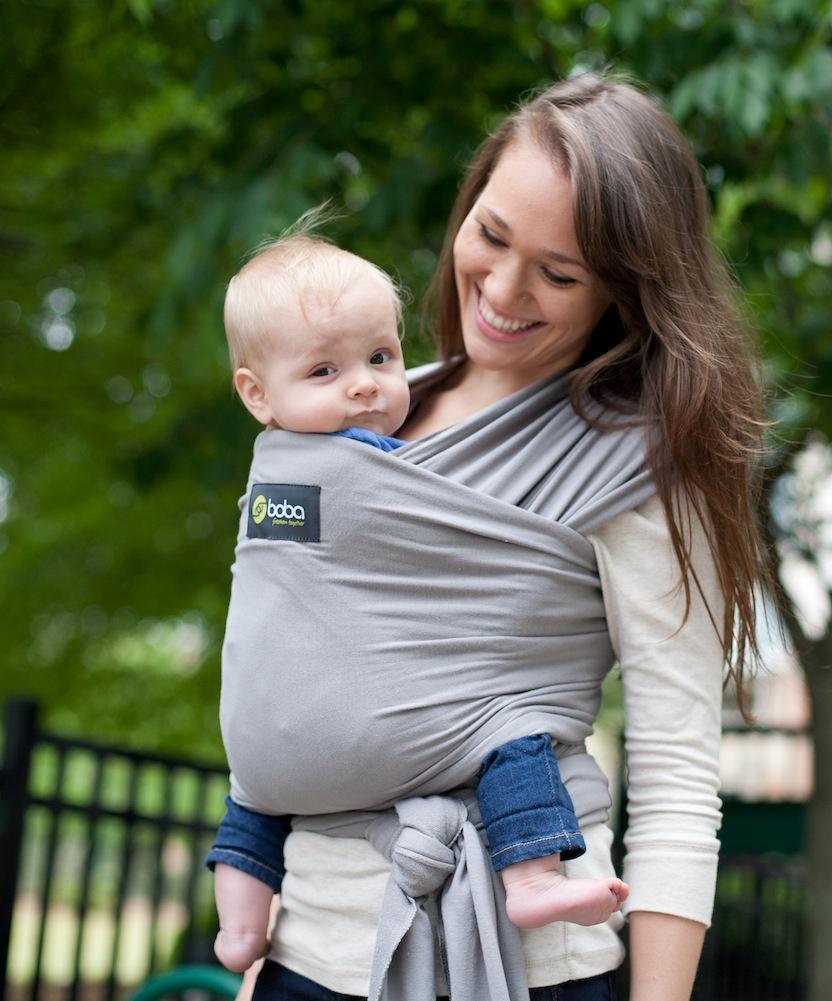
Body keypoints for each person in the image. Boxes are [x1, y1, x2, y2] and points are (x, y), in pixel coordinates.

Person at [235, 72, 773, 1001]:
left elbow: (679, 778)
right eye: (489, 234)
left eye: (559, 273)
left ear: (625, 289)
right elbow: (288, 669)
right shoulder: (350, 412)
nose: (504, 287)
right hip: (313, 958)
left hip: (530, 967)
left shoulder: (640, 466)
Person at [210, 233, 630, 974]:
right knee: (510, 723)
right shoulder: (391, 466)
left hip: (272, 758)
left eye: (380, 357)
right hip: (347, 756)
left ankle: (241, 926)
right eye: (324, 370)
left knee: (254, 793)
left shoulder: (268, 474)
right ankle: (532, 875)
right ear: (256, 394)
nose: (366, 385)